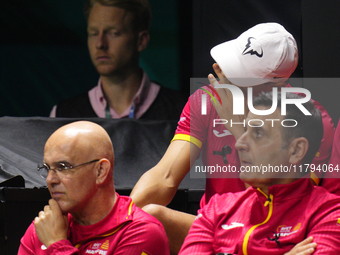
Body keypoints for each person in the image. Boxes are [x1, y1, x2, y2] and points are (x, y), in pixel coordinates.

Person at [130, 23, 334, 254]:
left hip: (280, 236)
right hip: (217, 228)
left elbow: (283, 200)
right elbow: (165, 176)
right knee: (147, 218)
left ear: (276, 85)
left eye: (238, 72)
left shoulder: (309, 118)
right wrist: (118, 220)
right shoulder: (206, 100)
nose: (221, 71)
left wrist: (238, 126)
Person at [179, 91, 340, 255]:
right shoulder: (216, 208)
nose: (239, 144)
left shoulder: (330, 212)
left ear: (296, 150)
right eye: (245, 130)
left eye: (258, 133)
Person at [18, 121, 169, 254]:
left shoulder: (141, 232)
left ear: (100, 171)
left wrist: (57, 246)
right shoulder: (45, 226)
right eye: (46, 168)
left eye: (63, 167)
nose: (50, 180)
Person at [50, 0, 186, 120]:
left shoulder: (185, 111)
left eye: (113, 33)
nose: (100, 44)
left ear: (141, 41)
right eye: (93, 33)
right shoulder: (62, 115)